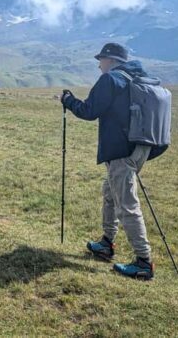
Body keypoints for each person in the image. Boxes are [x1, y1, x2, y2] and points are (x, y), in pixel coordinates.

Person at [61, 43, 163, 281]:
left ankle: (143, 263)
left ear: (111, 59)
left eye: (101, 60)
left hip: (120, 151)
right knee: (110, 193)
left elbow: (88, 111)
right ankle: (107, 242)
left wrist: (68, 100)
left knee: (126, 204)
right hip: (141, 147)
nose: (99, 65)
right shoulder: (138, 77)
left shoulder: (111, 80)